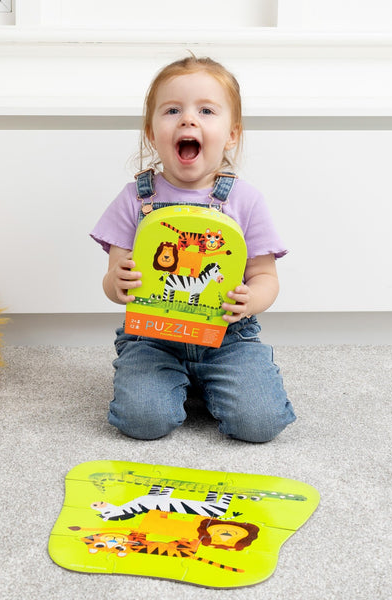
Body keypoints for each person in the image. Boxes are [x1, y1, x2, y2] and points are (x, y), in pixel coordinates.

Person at [90, 56, 295, 443]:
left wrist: (250, 300)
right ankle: (173, 384)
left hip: (227, 339)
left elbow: (266, 277)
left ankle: (206, 384)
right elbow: (113, 281)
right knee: (142, 421)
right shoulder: (135, 198)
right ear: (152, 134)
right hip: (154, 339)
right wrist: (118, 282)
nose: (188, 120)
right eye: (172, 110)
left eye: (206, 111)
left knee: (260, 423)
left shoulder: (245, 201)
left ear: (231, 134)